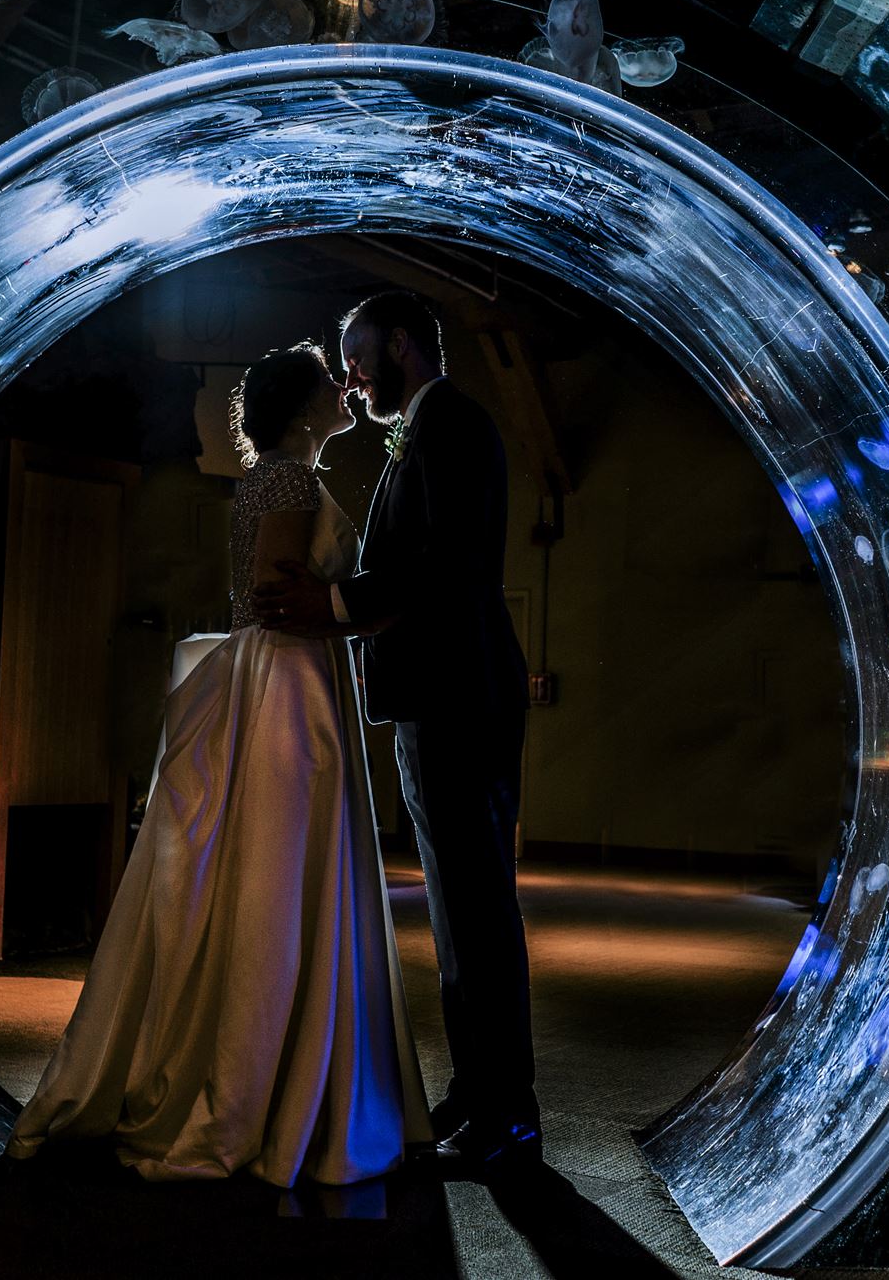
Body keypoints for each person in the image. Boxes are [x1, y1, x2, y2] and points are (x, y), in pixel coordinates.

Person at [4, 341, 432, 1187]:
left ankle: (279, 1067)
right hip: (291, 686)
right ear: (307, 407)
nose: (345, 388)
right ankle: (262, 1086)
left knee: (269, 874)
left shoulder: (279, 474)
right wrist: (372, 618)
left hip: (283, 673)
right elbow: (282, 598)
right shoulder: (286, 479)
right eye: (330, 381)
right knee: (281, 873)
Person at [253, 290, 539, 1177]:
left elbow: (438, 566)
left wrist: (330, 605)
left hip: (460, 694)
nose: (351, 375)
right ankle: (477, 1093)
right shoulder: (428, 425)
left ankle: (507, 1115)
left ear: (403, 343)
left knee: (479, 909)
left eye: (360, 354)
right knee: (458, 911)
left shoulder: (451, 424)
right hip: (439, 695)